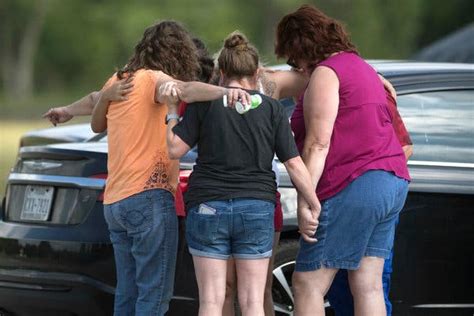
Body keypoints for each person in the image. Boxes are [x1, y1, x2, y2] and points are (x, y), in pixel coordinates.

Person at [161, 31, 320, 316]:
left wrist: (172, 112)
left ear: (222, 72)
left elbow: (174, 149)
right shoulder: (271, 109)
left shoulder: (203, 104)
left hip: (207, 205)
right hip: (256, 208)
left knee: (212, 300)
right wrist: (312, 200)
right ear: (257, 72)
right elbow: (294, 163)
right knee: (252, 302)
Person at [274, 5, 410, 316]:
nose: (296, 67)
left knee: (307, 283)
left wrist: (307, 199)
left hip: (355, 182)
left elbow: (318, 144)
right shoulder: (360, 67)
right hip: (391, 180)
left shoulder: (326, 73)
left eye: (294, 59)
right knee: (368, 283)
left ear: (301, 45)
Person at [86, 20, 213, 316]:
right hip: (149, 197)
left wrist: (103, 97)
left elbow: (96, 125)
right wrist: (228, 93)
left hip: (115, 201)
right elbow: (188, 90)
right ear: (178, 52)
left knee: (127, 293)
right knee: (153, 296)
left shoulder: (118, 80)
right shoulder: (155, 79)